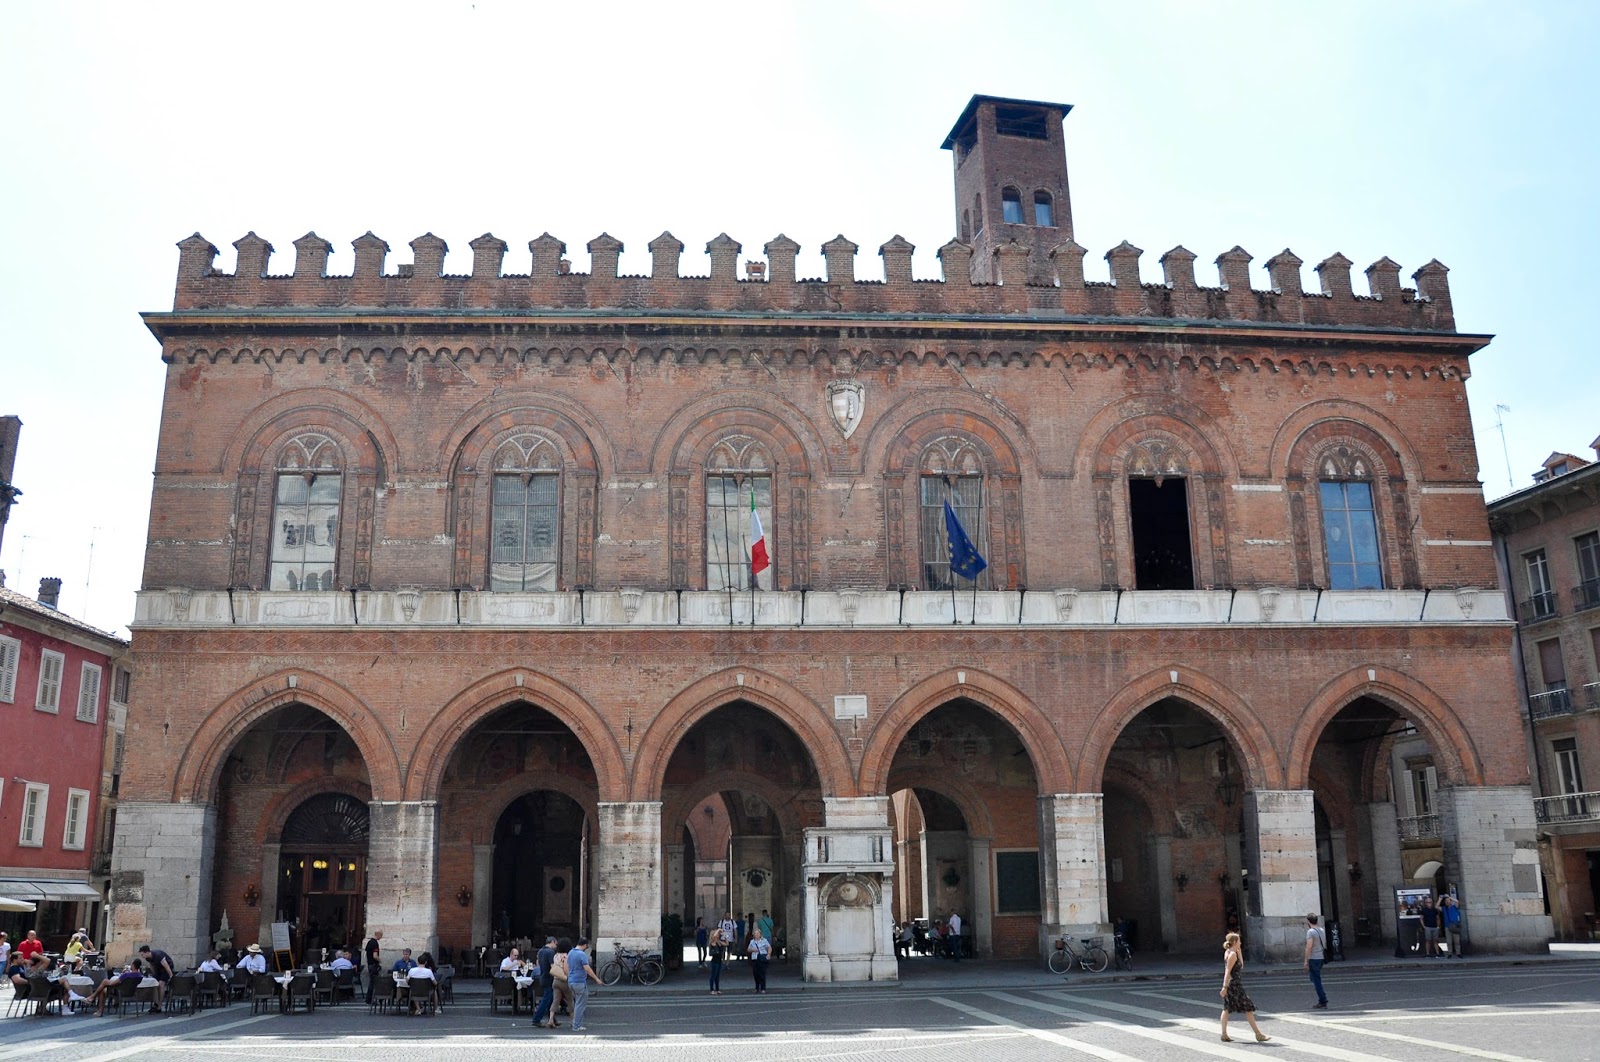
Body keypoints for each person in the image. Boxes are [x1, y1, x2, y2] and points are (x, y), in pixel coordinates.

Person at [1218, 931, 1269, 1043]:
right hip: (1234, 985)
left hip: (1234, 984)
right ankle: (1258, 1034)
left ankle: (1224, 1034)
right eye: (1239, 941)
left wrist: (1239, 951)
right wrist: (1224, 987)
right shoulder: (1232, 955)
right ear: (1235, 941)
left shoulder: (1229, 952)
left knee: (1227, 1008)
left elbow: (1241, 965)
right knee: (1248, 1008)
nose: (1240, 943)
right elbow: (1227, 972)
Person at [567, 937, 597, 1032]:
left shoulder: (571, 952)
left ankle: (575, 1023)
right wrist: (596, 978)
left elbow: (567, 966)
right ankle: (576, 1025)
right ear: (584, 945)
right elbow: (587, 968)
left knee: (577, 1003)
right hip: (579, 981)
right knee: (580, 1004)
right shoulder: (582, 954)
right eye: (586, 946)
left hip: (571, 981)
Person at [530, 936, 558, 1029]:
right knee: (546, 999)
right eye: (556, 943)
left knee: (550, 999)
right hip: (549, 978)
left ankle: (553, 1019)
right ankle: (536, 1019)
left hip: (543, 977)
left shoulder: (541, 951)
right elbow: (553, 966)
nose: (556, 946)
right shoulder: (550, 952)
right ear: (553, 942)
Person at [137, 944, 174, 1014]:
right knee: (154, 983)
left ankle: (159, 1006)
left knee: (161, 984)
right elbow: (152, 965)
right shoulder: (148, 958)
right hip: (158, 968)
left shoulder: (158, 955)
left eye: (142, 954)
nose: (142, 956)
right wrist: (154, 975)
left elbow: (166, 965)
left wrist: (171, 975)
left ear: (147, 952)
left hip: (167, 967)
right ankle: (156, 1003)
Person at [545, 938, 573, 1028]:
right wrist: (568, 976)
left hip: (555, 980)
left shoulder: (556, 955)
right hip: (563, 980)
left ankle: (550, 1020)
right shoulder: (566, 956)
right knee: (570, 1000)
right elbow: (565, 969)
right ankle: (573, 1021)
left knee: (555, 1001)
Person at [1303, 913, 1328, 1009]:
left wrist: (1306, 960)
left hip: (1314, 958)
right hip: (1321, 957)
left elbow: (1309, 947)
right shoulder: (1321, 930)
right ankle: (1323, 1000)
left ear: (1308, 922)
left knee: (1317, 981)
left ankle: (1323, 1000)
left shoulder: (1311, 932)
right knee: (1314, 977)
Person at [747, 927, 771, 993]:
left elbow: (769, 947)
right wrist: (752, 949)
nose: (757, 935)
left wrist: (768, 954)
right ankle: (757, 988)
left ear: (760, 934)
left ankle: (763, 988)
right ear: (753, 935)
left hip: (762, 958)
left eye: (758, 933)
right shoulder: (752, 941)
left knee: (762, 973)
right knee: (755, 973)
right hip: (755, 958)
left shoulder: (764, 940)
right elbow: (748, 949)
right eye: (755, 934)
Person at [363, 929, 383, 1004]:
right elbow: (375, 955)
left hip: (370, 964)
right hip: (374, 965)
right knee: (373, 982)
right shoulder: (375, 943)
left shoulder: (369, 942)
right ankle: (369, 999)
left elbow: (365, 954)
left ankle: (368, 999)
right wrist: (380, 960)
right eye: (381, 935)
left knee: (371, 982)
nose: (381, 937)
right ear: (378, 935)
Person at [1441, 893, 1463, 957]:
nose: (1447, 902)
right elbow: (1437, 907)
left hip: (1455, 925)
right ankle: (1449, 953)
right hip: (1447, 926)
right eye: (1446, 901)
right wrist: (1440, 899)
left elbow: (1457, 901)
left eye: (1448, 901)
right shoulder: (1444, 908)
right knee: (1449, 941)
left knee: (1457, 941)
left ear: (1450, 901)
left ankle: (1458, 953)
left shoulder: (1454, 907)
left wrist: (1449, 897)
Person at [707, 928, 726, 995]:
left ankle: (717, 989)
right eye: (717, 934)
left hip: (719, 960)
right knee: (713, 975)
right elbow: (714, 936)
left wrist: (725, 935)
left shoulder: (719, 942)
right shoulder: (712, 943)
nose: (718, 935)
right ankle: (712, 989)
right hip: (714, 961)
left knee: (717, 976)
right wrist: (718, 930)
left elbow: (726, 944)